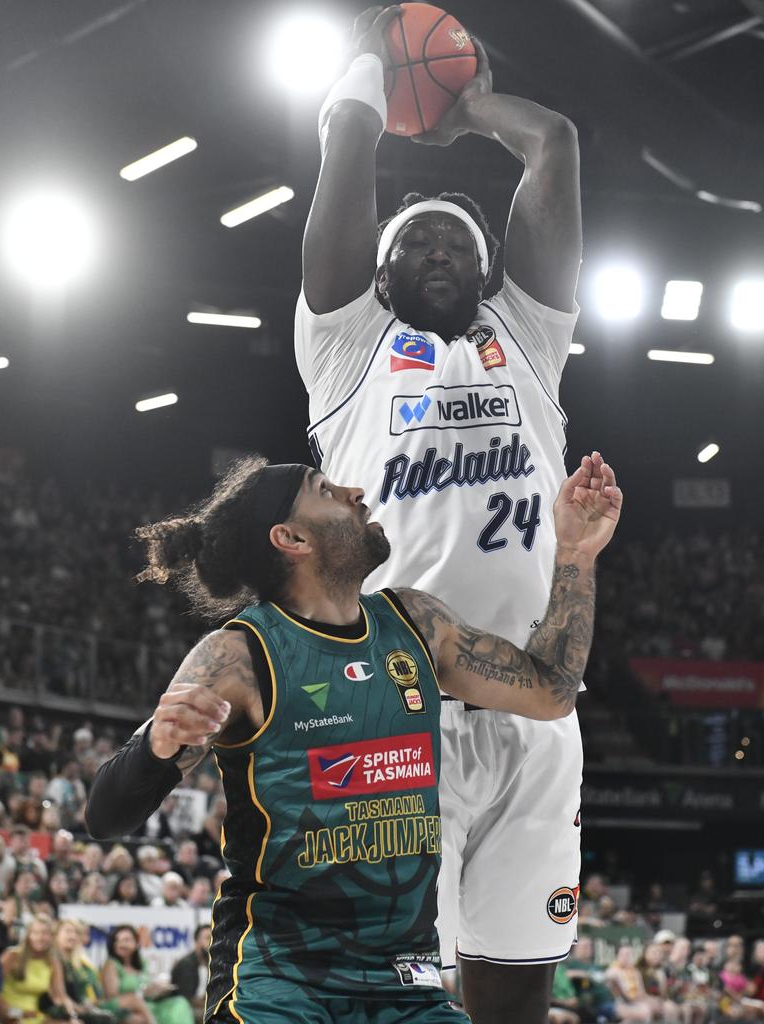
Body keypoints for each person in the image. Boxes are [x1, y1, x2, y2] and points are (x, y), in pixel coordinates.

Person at [85, 452, 621, 1023]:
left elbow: (552, 692)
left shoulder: (416, 623)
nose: (356, 492)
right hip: (281, 983)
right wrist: (155, 748)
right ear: (290, 537)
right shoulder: (237, 656)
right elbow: (104, 817)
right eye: (327, 489)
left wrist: (576, 555)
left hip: (404, 987)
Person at [295, 7, 583, 1022]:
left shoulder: (530, 338)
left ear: (493, 272)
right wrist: (378, 59)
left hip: (534, 705)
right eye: (413, 239)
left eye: (455, 240)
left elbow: (555, 146)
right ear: (376, 275)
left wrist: (474, 109)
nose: (435, 249)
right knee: (388, 998)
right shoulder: (347, 351)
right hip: (391, 710)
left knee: (515, 999)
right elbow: (346, 141)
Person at [99, 927, 192, 1024]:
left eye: (126, 940)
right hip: (121, 1007)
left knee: (179, 1003)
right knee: (137, 1009)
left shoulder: (142, 964)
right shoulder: (111, 964)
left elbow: (145, 989)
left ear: (136, 943)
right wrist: (140, 995)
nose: (121, 944)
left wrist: (155, 990)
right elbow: (112, 996)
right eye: (117, 940)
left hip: (146, 1004)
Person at [0, 914, 66, 1022]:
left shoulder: (52, 962)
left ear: (52, 937)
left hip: (33, 1015)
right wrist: (16, 1013)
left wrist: (72, 1015)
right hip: (7, 1014)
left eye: (45, 933)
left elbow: (60, 997)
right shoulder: (12, 955)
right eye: (35, 933)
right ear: (28, 935)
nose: (40, 938)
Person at [170, 926, 210, 1021]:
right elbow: (187, 998)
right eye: (208, 938)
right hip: (183, 1009)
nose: (212, 942)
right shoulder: (186, 964)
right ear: (197, 941)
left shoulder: (212, 964)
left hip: (203, 1006)